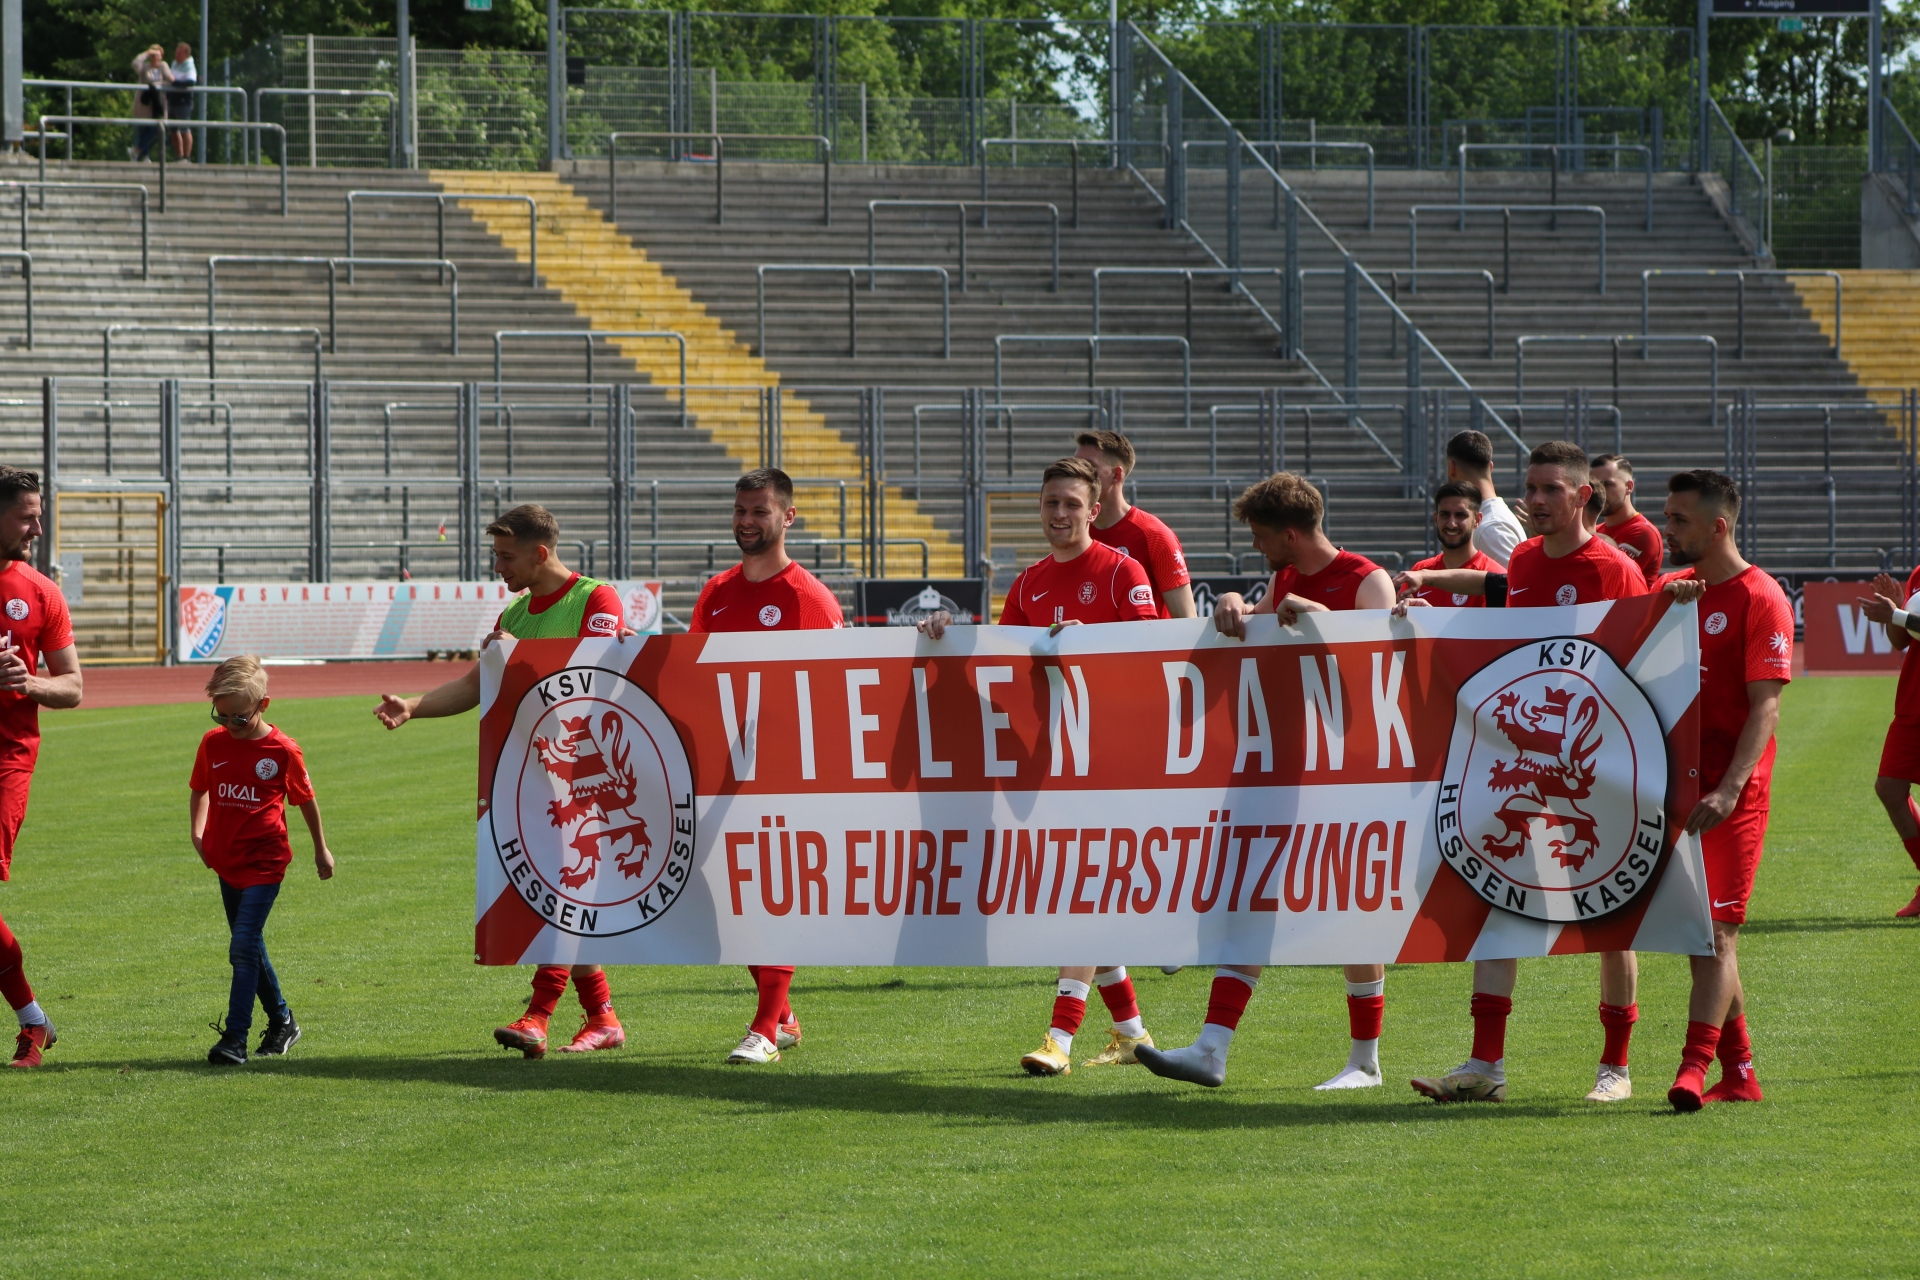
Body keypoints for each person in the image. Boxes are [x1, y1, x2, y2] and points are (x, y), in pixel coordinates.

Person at [1133, 472, 1396, 1091]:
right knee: (1254, 893)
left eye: (1259, 536)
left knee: (1352, 906)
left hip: (1351, 772)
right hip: (1282, 764)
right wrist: (1235, 606)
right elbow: (1268, 636)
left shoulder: (1367, 579)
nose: (1256, 548)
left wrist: (1320, 616)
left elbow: (1379, 669)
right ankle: (1212, 1047)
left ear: (1290, 532)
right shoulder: (1282, 578)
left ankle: (1365, 1060)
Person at [1406, 441, 1649, 1105]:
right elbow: (1512, 655)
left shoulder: (1613, 569)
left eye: (1549, 490)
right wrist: (1435, 627)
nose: (1535, 500)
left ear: (1582, 497)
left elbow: (1643, 664)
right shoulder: (1521, 561)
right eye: (1530, 489)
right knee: (1500, 904)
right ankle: (1486, 1064)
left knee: (1610, 917)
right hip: (1525, 761)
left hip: (1598, 764)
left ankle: (1616, 1067)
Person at [918, 457, 1158, 1075]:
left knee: (1080, 894)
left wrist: (1092, 646)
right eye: (1051, 503)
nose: (1060, 514)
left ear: (1094, 509)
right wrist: (949, 634)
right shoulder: (1027, 584)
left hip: (1112, 759)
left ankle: (1060, 1040)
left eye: (1072, 504)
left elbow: (1153, 658)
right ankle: (1132, 1033)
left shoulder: (1121, 570)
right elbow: (1004, 665)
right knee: (1087, 893)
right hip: (1052, 759)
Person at [376, 504, 632, 1059]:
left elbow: (604, 678)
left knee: (565, 892)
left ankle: (539, 1016)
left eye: (505, 556)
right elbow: (478, 684)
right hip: (535, 779)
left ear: (540, 553)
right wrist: (415, 706)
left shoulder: (596, 600)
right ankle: (603, 1017)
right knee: (563, 894)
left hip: (593, 778)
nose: (498, 566)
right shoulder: (514, 618)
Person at [689, 469, 845, 1064]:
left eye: (759, 511)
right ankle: (781, 1013)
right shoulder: (717, 591)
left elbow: (831, 695)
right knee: (727, 898)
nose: (746, 522)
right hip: (723, 768)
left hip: (786, 772)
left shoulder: (808, 599)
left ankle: (763, 1029)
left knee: (769, 893)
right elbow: (693, 674)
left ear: (788, 517)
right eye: (740, 511)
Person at [1653, 471, 1792, 1111]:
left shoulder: (1761, 596)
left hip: (1732, 794)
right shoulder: (1669, 592)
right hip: (1672, 788)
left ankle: (1692, 1068)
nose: (1667, 530)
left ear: (1719, 527)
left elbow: (1766, 708)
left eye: (1679, 520)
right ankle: (1739, 1072)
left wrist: (1733, 789)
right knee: (1695, 932)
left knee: (1714, 931)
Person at [192, 657, 334, 1065]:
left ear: (263, 705)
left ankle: (235, 1038)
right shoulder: (212, 742)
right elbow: (199, 789)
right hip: (226, 860)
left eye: (240, 716)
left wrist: (320, 849)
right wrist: (197, 834)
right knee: (250, 945)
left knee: (241, 946)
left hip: (265, 863)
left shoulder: (282, 750)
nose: (230, 724)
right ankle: (283, 1020)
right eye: (222, 715)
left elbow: (306, 801)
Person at [0, 467, 81, 1068]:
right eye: (27, 515)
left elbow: (74, 686)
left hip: (9, 758)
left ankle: (32, 1022)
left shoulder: (41, 592)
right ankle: (35, 1021)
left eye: (38, 513)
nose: (38, 526)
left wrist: (28, 682)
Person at [1072, 430, 1196, 620]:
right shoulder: (1075, 531)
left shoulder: (1155, 536)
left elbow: (1186, 620)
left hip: (1142, 649)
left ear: (1116, 474)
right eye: (1076, 465)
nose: (1078, 474)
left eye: (1089, 467)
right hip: (1091, 649)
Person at [1857, 568, 1920, 916]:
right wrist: (1896, 612)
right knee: (1890, 788)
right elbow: (1902, 641)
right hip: (1914, 700)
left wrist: (1897, 613)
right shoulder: (1919, 575)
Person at [1444, 430, 1528, 569]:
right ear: (1490, 467)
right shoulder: (1490, 520)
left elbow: (1510, 586)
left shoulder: (1492, 528)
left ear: (1451, 468)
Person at [1405, 480, 1496, 608]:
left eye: (1460, 515)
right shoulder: (1418, 572)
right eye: (1445, 515)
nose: (1451, 524)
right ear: (1436, 519)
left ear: (1477, 520)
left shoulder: (1492, 575)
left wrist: (1431, 617)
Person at [1592, 454, 1664, 586]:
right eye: (1593, 486)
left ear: (1629, 487)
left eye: (1606, 484)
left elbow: (1607, 579)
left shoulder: (1643, 532)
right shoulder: (1597, 530)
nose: (1598, 492)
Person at [131, 46, 172, 163]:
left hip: (158, 104)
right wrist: (146, 53)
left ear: (161, 56)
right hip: (144, 104)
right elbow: (135, 64)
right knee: (143, 130)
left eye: (157, 55)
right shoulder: (145, 67)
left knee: (155, 129)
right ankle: (143, 156)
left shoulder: (163, 66)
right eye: (152, 55)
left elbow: (169, 80)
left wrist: (156, 84)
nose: (154, 58)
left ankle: (136, 150)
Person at [168, 43, 197, 161]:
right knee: (173, 129)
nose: (176, 55)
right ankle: (179, 156)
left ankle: (187, 156)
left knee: (184, 128)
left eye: (179, 53)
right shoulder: (174, 64)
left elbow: (190, 82)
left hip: (183, 101)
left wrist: (174, 83)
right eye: (176, 52)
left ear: (186, 54)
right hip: (172, 100)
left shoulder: (189, 66)